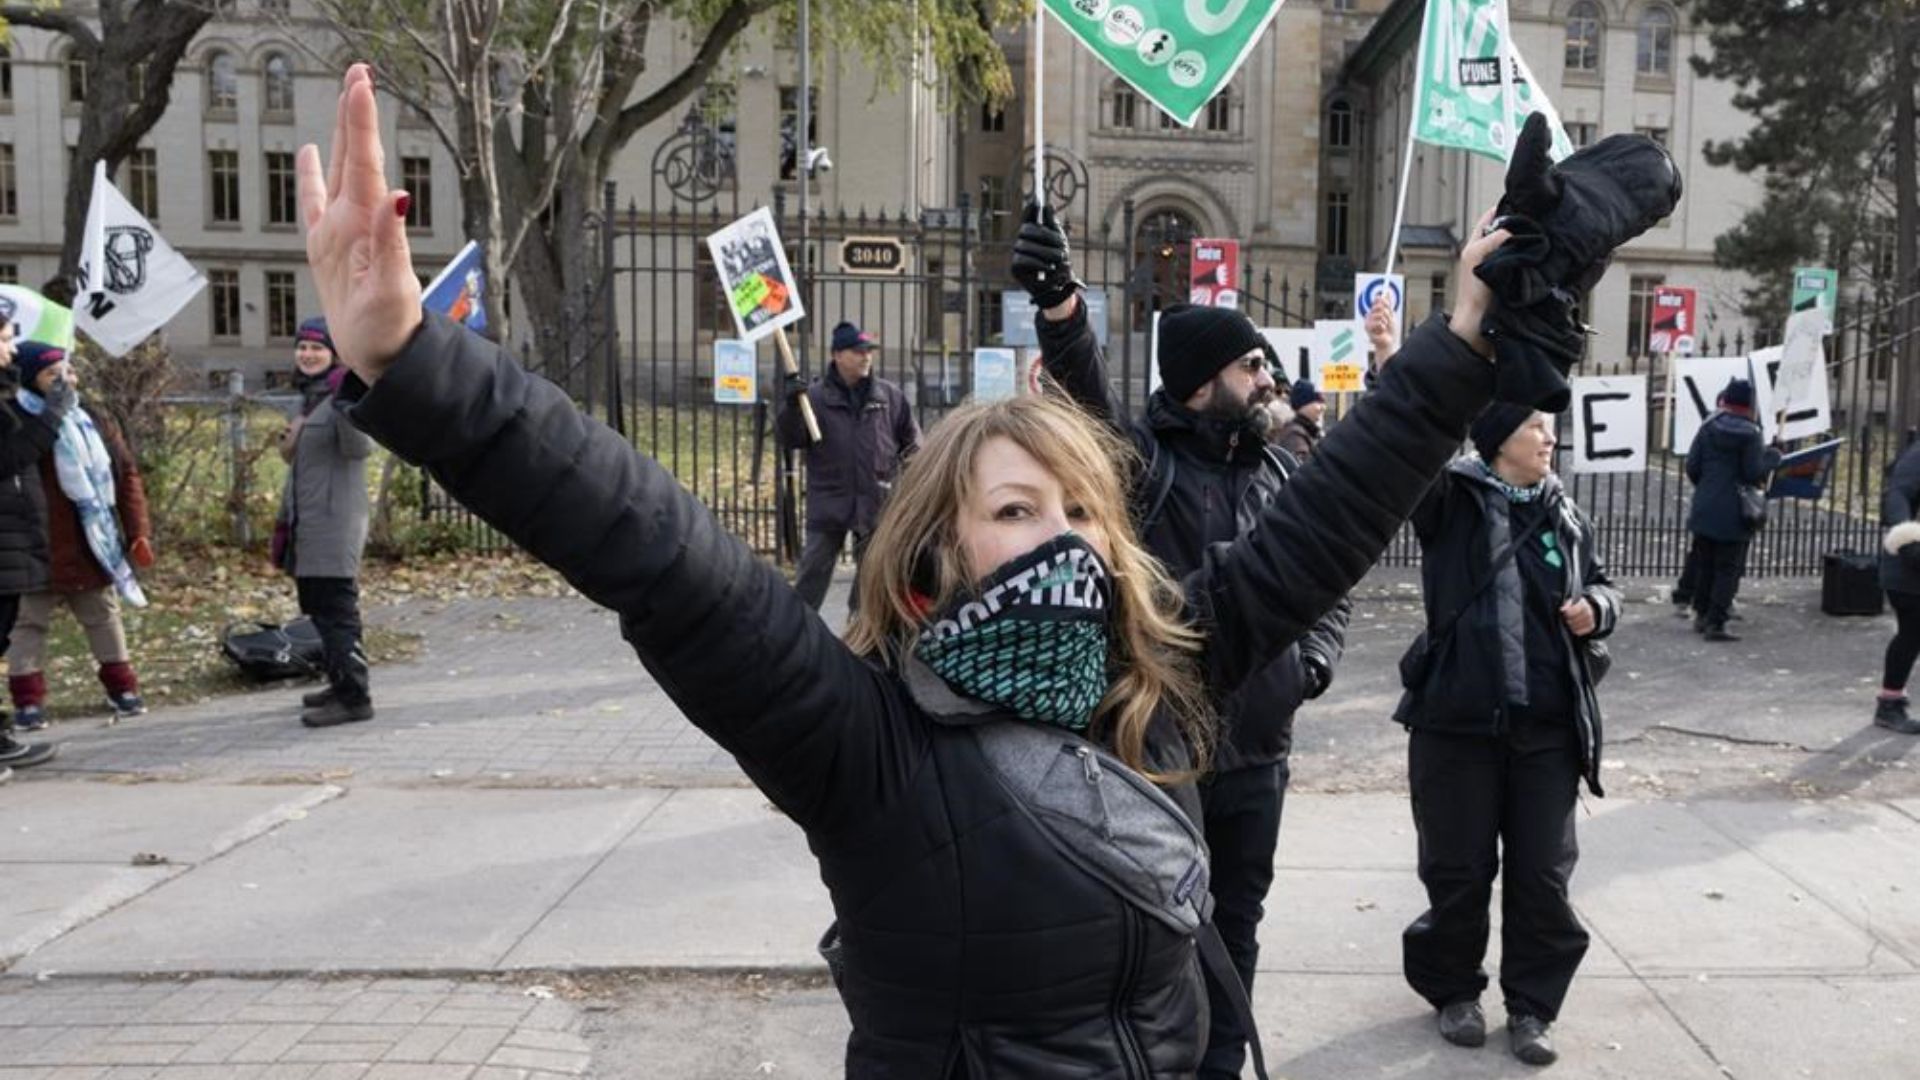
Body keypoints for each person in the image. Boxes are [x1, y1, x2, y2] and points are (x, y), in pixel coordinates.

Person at [299, 65, 1513, 1076]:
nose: (1070, 534)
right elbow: (657, 551)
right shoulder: (858, 739)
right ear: (939, 553)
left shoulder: (1158, 675)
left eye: (1087, 509)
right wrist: (419, 364)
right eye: (1018, 507)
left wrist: (1463, 345)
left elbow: (1332, 516)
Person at [1015, 207, 1349, 1080]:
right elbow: (1087, 394)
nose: (1268, 374)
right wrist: (1059, 311)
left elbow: (1330, 573)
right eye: (1251, 364)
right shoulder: (1145, 466)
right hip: (1161, 753)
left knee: (1238, 923)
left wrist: (1311, 662)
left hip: (1260, 754)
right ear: (1204, 381)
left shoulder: (1278, 471)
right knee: (1158, 927)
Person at [1393, 405, 1620, 1067]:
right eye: (1536, 427)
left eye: (1551, 427)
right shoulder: (1450, 502)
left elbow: (1606, 585)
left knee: (1543, 876)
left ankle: (1533, 1007)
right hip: (1456, 725)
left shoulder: (1566, 514)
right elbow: (1410, 441)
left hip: (1547, 729)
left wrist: (1597, 610)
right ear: (1497, 442)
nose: (1551, 437)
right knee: (1457, 870)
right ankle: (1454, 991)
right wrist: (1389, 363)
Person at [5, 342, 153, 730]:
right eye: (52, 374)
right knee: (28, 623)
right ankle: (28, 702)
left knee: (102, 616)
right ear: (31, 378)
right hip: (36, 544)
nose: (65, 381)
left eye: (68, 372)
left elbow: (125, 475)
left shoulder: (91, 418)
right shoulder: (17, 419)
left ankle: (123, 689)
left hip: (91, 540)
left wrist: (138, 531)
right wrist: (49, 416)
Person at [776, 320, 920, 615]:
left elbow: (914, 445)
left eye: (868, 350)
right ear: (837, 355)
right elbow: (790, 439)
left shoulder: (889, 397)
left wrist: (907, 482)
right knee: (811, 578)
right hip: (830, 502)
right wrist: (791, 406)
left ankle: (860, 638)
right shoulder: (813, 398)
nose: (866, 356)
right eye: (857, 351)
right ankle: (796, 633)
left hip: (876, 503)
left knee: (871, 584)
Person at [275, 317, 375, 728]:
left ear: (334, 354)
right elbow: (295, 459)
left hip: (335, 521)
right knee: (316, 605)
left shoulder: (340, 394)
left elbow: (359, 449)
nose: (308, 355)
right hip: (308, 519)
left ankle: (355, 697)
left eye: (318, 348)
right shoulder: (306, 399)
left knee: (337, 609)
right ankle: (338, 681)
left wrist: (348, 403)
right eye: (303, 347)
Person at [0, 322, 66, 775]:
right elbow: (9, 457)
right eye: (4, 339)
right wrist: (51, 418)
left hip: (13, 537)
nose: (11, 349)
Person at [1683, 378, 1779, 642]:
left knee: (1705, 563)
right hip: (1735, 511)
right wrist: (1771, 459)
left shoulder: (1708, 426)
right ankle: (1716, 621)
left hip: (1705, 505)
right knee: (1727, 567)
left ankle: (1701, 614)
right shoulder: (1751, 433)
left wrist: (1708, 486)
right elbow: (1752, 473)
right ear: (1749, 405)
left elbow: (1692, 466)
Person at [1874, 437, 1920, 733]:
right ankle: (1889, 704)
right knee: (1913, 632)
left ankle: (1890, 702)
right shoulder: (1916, 457)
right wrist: (1908, 541)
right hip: (1909, 564)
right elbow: (1897, 495)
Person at [1274, 379, 1326, 462]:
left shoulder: (1308, 431)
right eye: (1318, 402)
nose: (1322, 408)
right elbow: (1305, 469)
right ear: (1303, 405)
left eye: (1323, 402)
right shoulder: (1294, 435)